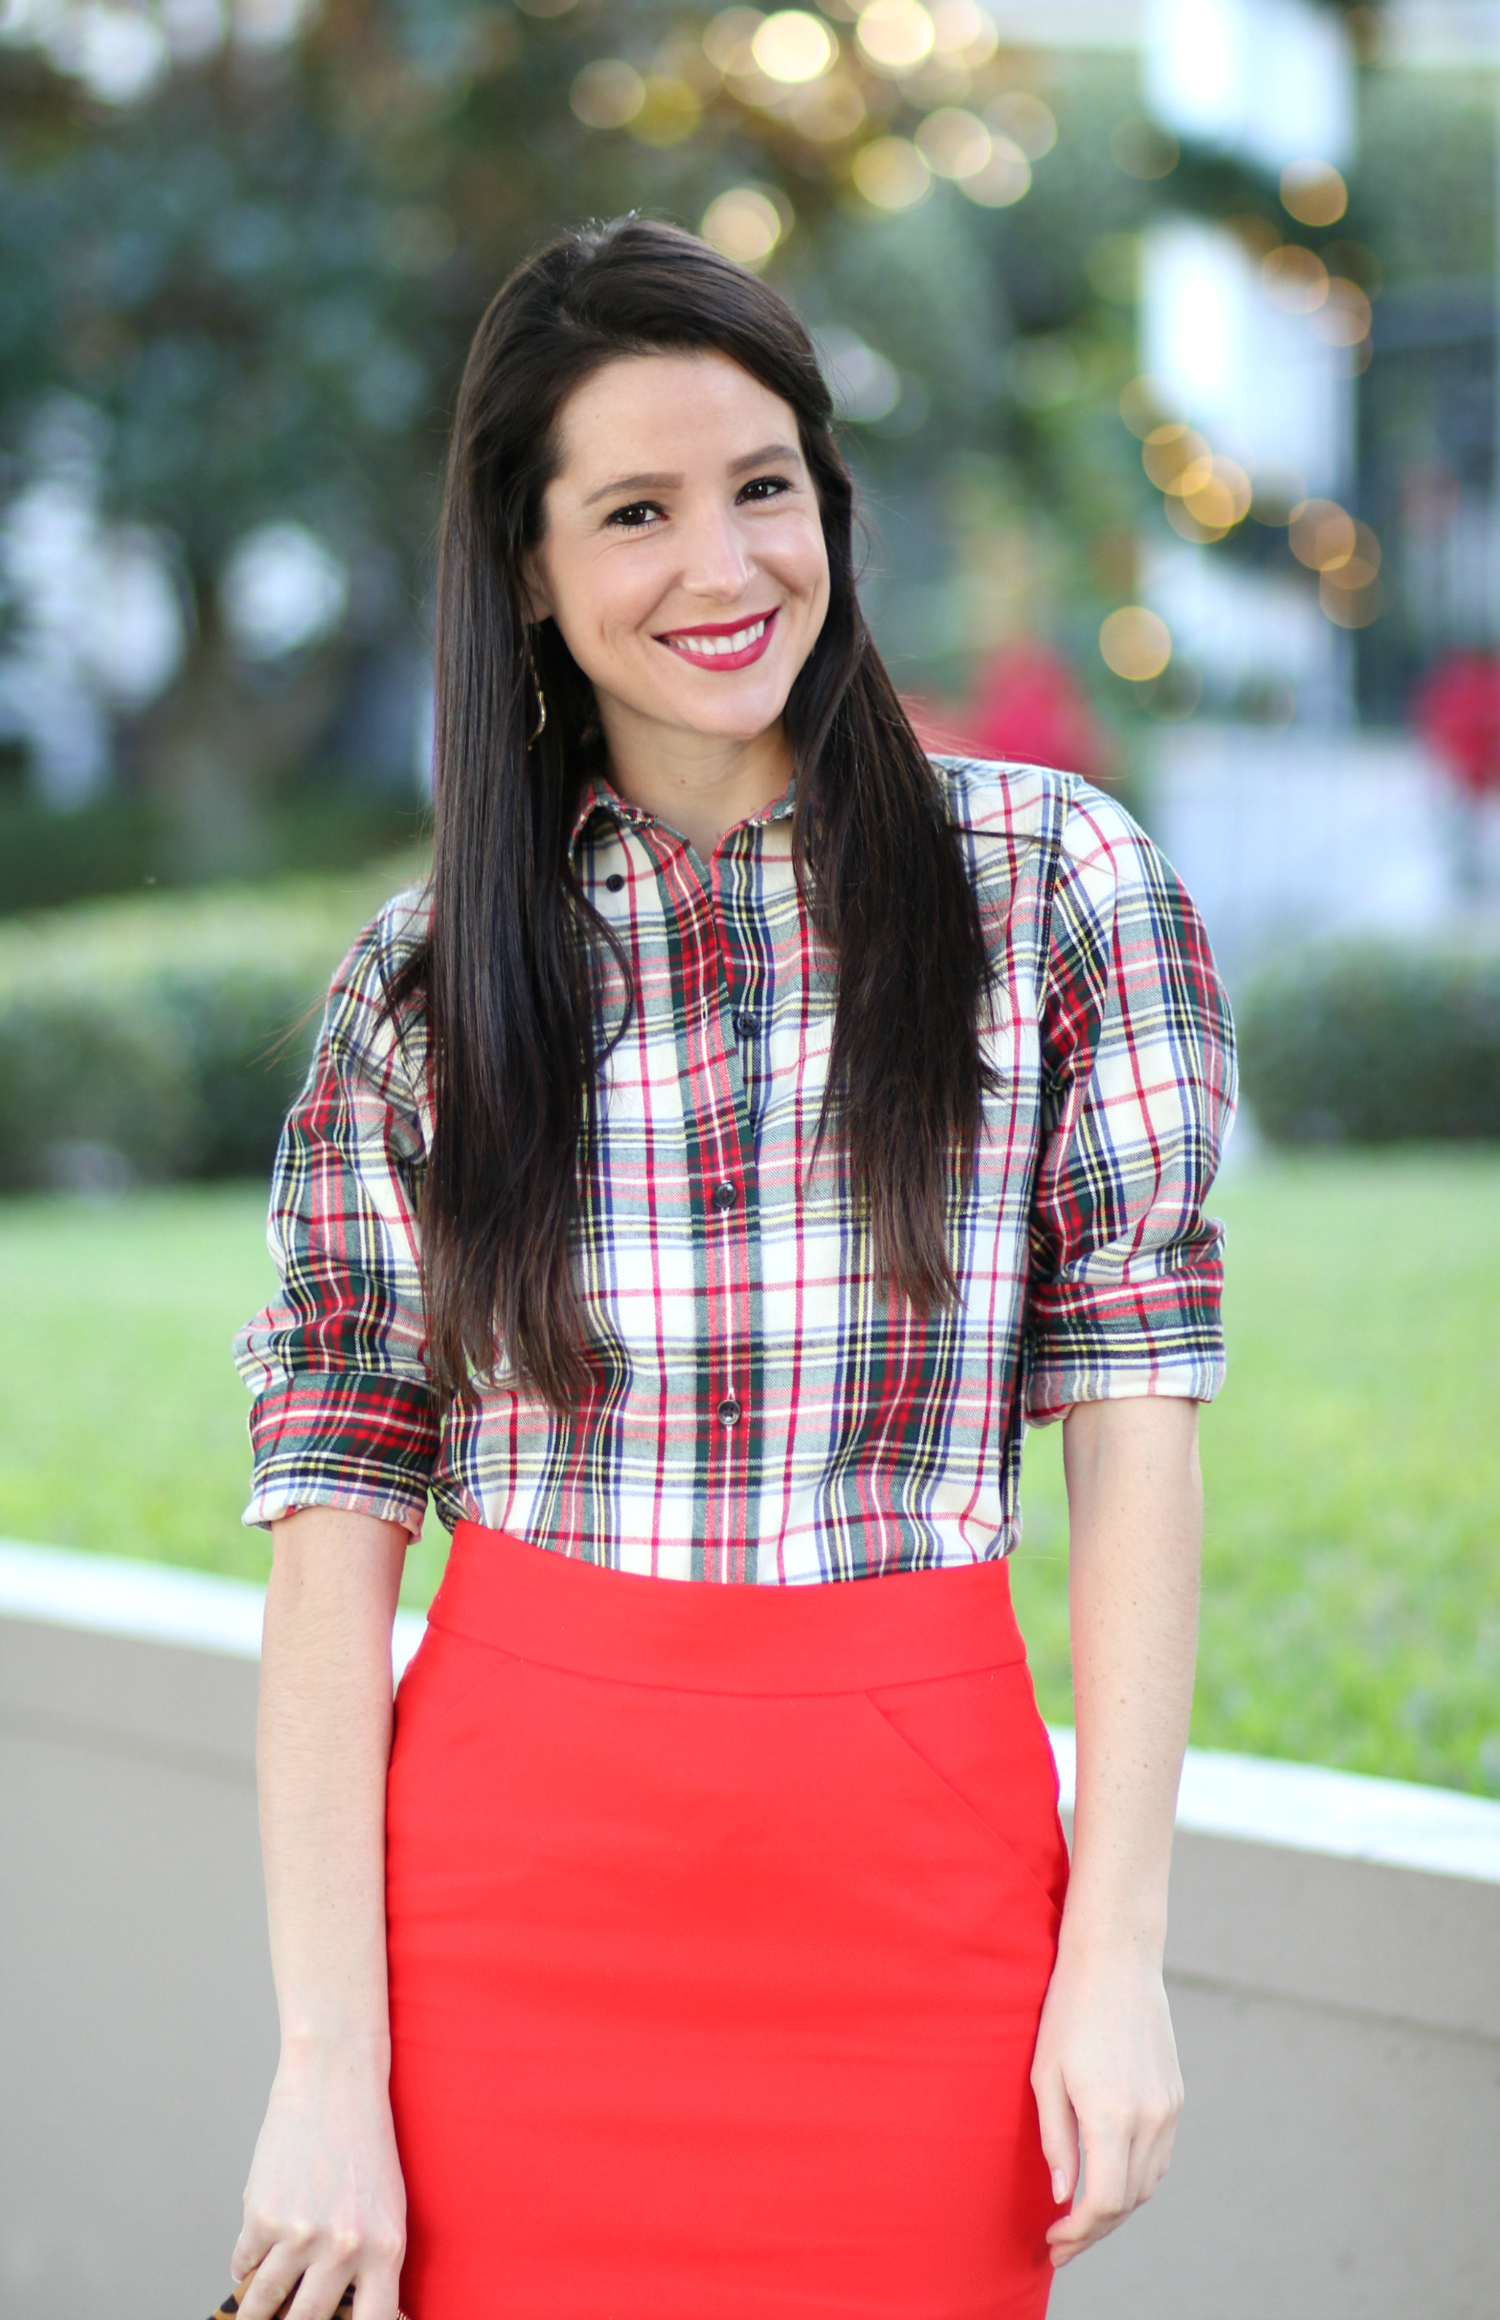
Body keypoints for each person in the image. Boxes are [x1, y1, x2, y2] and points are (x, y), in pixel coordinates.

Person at [229, 217, 1235, 2320]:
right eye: (637, 509)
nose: (725, 563)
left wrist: (1118, 1949)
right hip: (506, 1915)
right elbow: (330, 1539)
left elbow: (1138, 1430)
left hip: (924, 1887)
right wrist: (329, 2063)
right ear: (526, 563)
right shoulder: (419, 990)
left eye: (764, 485)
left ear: (831, 508)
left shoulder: (1061, 887)